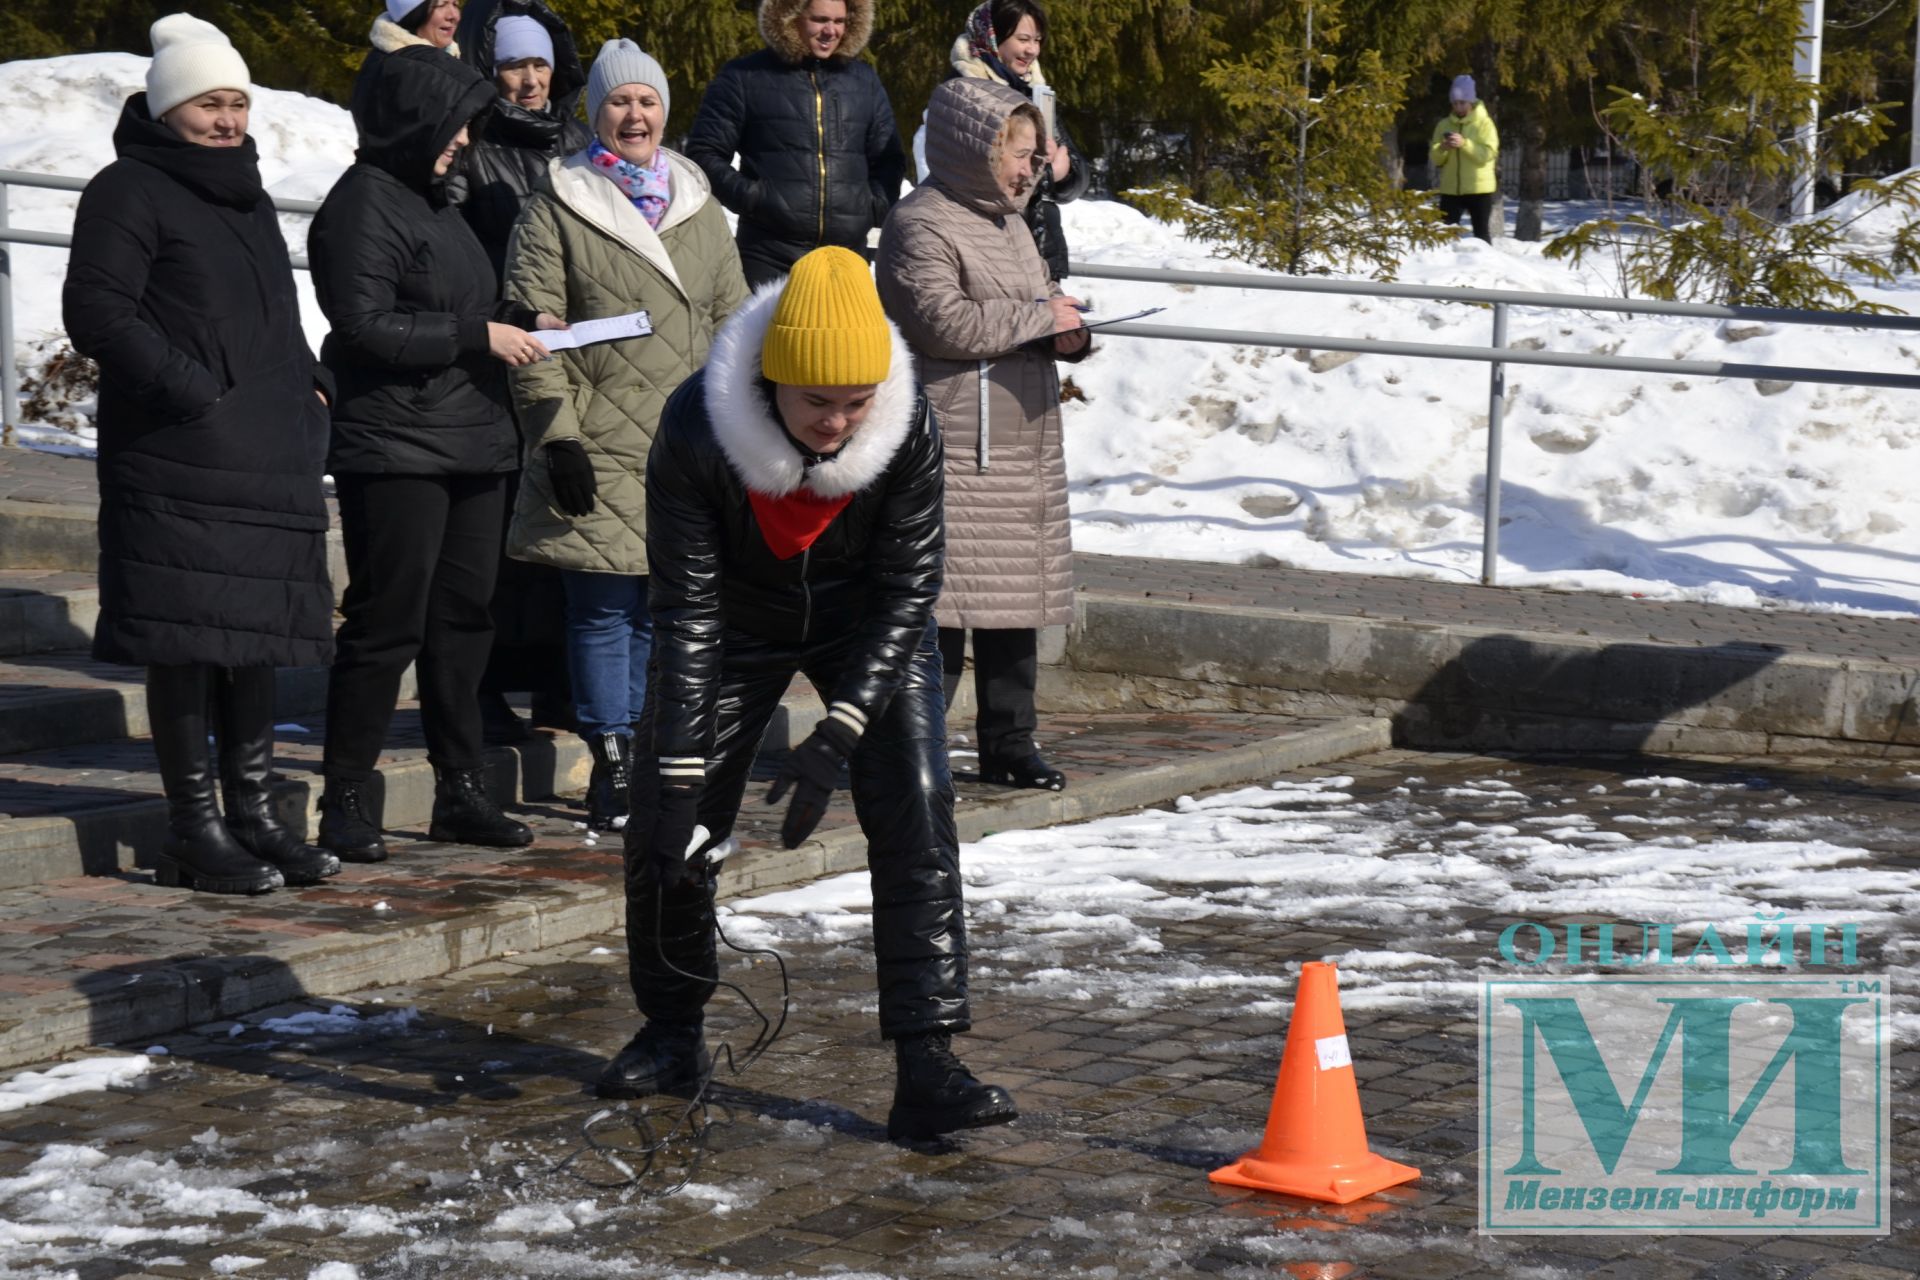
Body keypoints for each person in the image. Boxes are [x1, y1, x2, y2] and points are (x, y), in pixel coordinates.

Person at [600, 247, 1017, 1143]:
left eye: (855, 403)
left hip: (865, 621)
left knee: (916, 799)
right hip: (734, 623)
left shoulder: (906, 428)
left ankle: (928, 1061)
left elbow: (911, 588)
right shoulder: (695, 429)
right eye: (816, 402)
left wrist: (842, 728)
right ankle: (672, 1029)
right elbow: (688, 612)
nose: (837, 422)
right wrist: (676, 778)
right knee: (668, 817)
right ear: (767, 383)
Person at [63, 15, 340, 895]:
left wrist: (309, 380)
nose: (226, 119)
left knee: (249, 637)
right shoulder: (128, 188)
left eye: (236, 103)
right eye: (208, 103)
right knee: (186, 641)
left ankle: (251, 817)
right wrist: (193, 390)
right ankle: (194, 827)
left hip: (264, 450)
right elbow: (98, 313)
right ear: (166, 104)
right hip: (179, 452)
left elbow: (270, 316)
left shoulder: (246, 194)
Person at [309, 45, 562, 862]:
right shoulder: (360, 207)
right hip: (396, 448)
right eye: (453, 126)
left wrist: (520, 320)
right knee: (387, 623)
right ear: (414, 120)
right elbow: (364, 326)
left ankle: (462, 789)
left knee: (463, 623)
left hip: (473, 442)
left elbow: (467, 305)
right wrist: (473, 334)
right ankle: (346, 796)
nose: (463, 141)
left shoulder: (440, 204)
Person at [504, 40, 748, 831]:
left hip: (685, 443)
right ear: (594, 113)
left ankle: (653, 756)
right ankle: (612, 765)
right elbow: (530, 328)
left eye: (646, 102)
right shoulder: (559, 201)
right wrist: (557, 438)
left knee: (663, 610)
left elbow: (732, 321)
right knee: (605, 610)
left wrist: (739, 426)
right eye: (618, 102)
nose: (634, 115)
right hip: (598, 439)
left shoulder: (698, 204)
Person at [879, 78, 1088, 793]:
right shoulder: (921, 222)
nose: (1032, 169)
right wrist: (1040, 320)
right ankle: (915, 749)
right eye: (1021, 155)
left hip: (1020, 439)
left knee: (1014, 603)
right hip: (956, 441)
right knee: (943, 607)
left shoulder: (1012, 221)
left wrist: (1070, 336)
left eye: (1035, 156)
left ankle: (1010, 743)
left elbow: (1032, 310)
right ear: (977, 148)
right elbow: (943, 323)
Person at [449, 0, 592, 745]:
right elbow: (465, 253)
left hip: (574, 360)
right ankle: (489, 684)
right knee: (502, 532)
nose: (530, 79)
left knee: (564, 525)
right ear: (490, 70)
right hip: (501, 358)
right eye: (514, 64)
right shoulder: (474, 147)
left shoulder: (578, 140)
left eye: (540, 64)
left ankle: (561, 685)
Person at [683, 0, 906, 289]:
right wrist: (754, 199)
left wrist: (872, 207)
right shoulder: (744, 77)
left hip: (847, 257)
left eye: (839, 21)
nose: (831, 31)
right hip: (769, 258)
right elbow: (704, 153)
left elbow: (889, 158)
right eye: (820, 19)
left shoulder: (864, 80)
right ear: (790, 18)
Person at [912, 0, 1088, 282]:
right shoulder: (964, 95)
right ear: (993, 37)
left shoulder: (1035, 92)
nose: (1032, 50)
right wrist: (1048, 173)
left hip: (1038, 254)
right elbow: (979, 182)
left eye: (1037, 40)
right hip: (986, 257)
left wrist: (1063, 174)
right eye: (1023, 39)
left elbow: (1078, 175)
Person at [352, 0, 464, 116]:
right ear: (413, 14)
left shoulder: (448, 61)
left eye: (456, 4)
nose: (454, 16)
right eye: (441, 5)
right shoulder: (402, 74)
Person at [1430, 74, 1499, 244]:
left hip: (1479, 189)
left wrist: (1465, 144)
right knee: (1445, 236)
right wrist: (1443, 148)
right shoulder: (1444, 124)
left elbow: (1488, 154)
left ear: (1471, 101)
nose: (1458, 107)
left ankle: (1485, 267)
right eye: (1455, 103)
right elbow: (1436, 159)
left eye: (1462, 103)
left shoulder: (1485, 123)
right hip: (1451, 190)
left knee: (1481, 235)